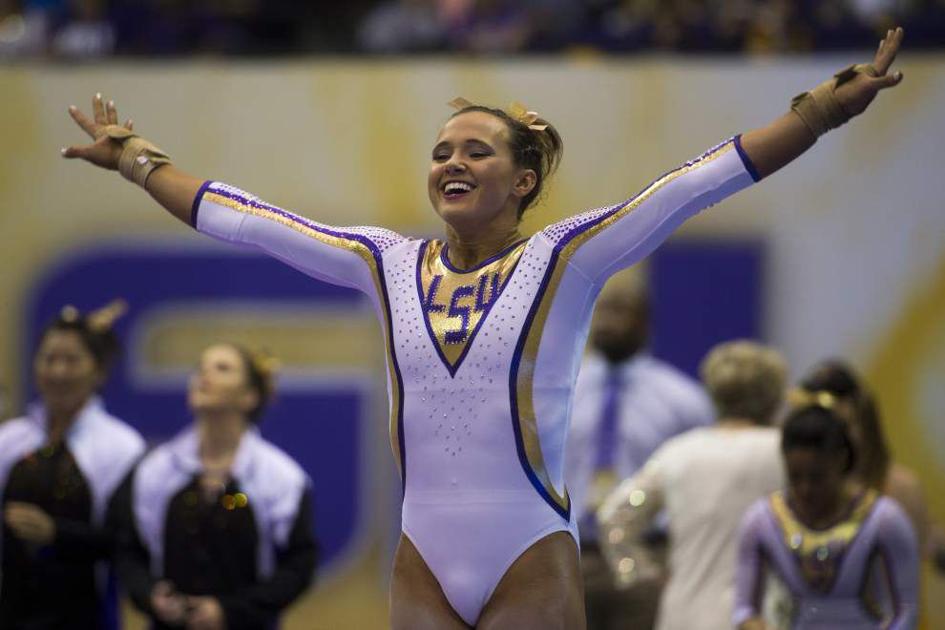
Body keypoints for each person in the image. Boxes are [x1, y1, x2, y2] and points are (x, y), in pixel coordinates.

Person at [61, 28, 906, 629]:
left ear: (525, 178)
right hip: (422, 554)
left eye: (475, 151)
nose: (451, 163)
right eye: (440, 152)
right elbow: (243, 220)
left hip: (527, 550)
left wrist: (825, 109)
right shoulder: (380, 261)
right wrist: (138, 161)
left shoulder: (565, 256)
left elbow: (697, 182)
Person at [111, 343, 317, 630]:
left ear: (249, 396)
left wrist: (231, 611)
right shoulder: (154, 470)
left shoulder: (281, 477)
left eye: (222, 368)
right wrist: (150, 595)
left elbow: (299, 566)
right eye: (200, 368)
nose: (203, 375)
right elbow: (128, 550)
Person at [597, 340, 788, 630]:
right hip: (763, 616)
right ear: (774, 395)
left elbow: (614, 517)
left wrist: (643, 576)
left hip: (683, 614)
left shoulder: (677, 453)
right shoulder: (786, 452)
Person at [566, 270, 713, 629]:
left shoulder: (683, 400)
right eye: (601, 311)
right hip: (572, 558)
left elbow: (699, 490)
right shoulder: (559, 394)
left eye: (620, 311)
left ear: (644, 322)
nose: (608, 322)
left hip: (646, 557)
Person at [0, 300, 145, 629]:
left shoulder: (120, 446)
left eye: (72, 360)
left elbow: (127, 542)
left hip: (87, 616)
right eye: (49, 359)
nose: (58, 372)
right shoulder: (10, 439)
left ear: (98, 370)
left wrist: (57, 534)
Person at [733, 401, 919, 629]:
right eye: (795, 477)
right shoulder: (762, 520)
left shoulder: (885, 520)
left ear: (841, 460)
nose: (805, 490)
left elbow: (905, 612)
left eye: (817, 477)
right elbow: (744, 609)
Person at [797, 360, 945, 570]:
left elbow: (929, 543)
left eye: (842, 430)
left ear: (864, 426)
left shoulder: (900, 488)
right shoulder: (795, 493)